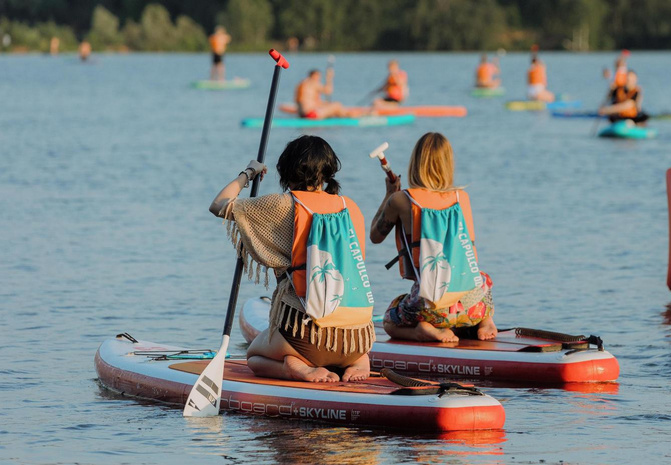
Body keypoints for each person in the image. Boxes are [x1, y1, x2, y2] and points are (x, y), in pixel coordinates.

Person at [209, 135, 375, 383]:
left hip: (306, 336)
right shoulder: (349, 206)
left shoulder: (282, 204)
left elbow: (219, 205)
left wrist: (249, 173)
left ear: (287, 170)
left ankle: (296, 367)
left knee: (254, 355)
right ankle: (359, 362)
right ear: (328, 171)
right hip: (359, 336)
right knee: (349, 344)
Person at [370, 132, 497, 343]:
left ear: (416, 163)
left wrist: (389, 195)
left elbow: (375, 235)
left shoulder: (401, 200)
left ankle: (422, 330)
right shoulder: (461, 198)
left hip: (431, 307)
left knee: (389, 320)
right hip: (471, 304)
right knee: (481, 277)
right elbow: (471, 256)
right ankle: (485, 319)